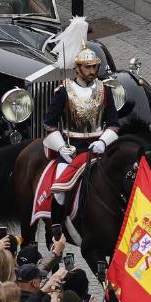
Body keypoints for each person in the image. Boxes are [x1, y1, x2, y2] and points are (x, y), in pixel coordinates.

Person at [42, 46, 119, 226]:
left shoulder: (105, 90)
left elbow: (114, 123)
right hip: (72, 148)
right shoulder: (63, 91)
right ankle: (56, 226)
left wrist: (102, 141)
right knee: (59, 190)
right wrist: (61, 147)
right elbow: (49, 123)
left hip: (98, 146)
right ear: (77, 68)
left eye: (94, 67)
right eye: (87, 67)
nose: (92, 71)